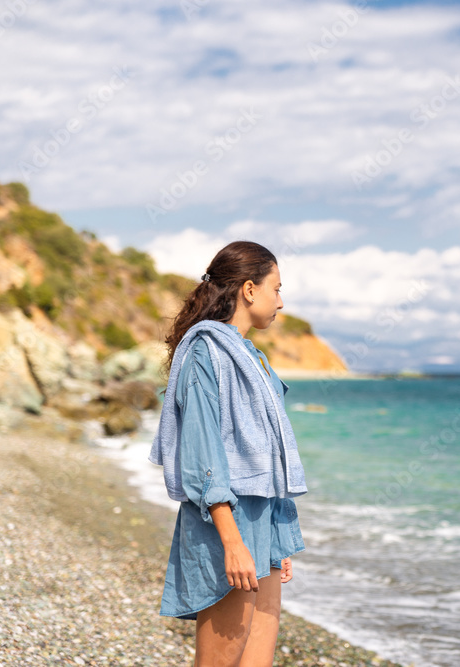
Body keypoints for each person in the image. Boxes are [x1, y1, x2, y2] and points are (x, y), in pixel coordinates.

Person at [148, 240, 308, 666]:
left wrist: (280, 537)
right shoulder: (205, 352)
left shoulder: (252, 356)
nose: (281, 301)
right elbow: (202, 453)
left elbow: (269, 451)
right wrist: (232, 542)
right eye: (276, 288)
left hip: (265, 518)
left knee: (257, 660)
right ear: (250, 290)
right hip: (227, 520)